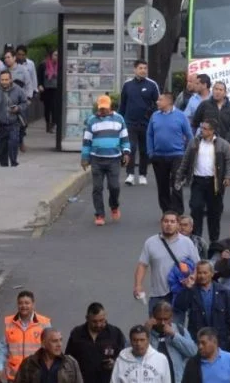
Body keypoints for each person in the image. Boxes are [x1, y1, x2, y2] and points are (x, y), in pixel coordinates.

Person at [65, 303, 126, 383]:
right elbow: (68, 360)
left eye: (102, 320)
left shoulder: (115, 333)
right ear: (87, 318)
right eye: (94, 321)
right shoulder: (77, 334)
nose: (99, 325)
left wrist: (114, 363)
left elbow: (125, 357)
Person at [175, 120, 230, 243]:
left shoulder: (223, 145)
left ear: (212, 130)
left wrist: (228, 177)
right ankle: (197, 240)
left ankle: (214, 242)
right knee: (196, 208)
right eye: (201, 128)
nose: (202, 130)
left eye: (205, 128)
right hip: (198, 181)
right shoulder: (194, 143)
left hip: (214, 184)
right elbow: (186, 161)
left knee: (214, 213)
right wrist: (179, 176)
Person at [134, 212, 202, 315]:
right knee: (155, 328)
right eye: (166, 221)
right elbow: (142, 265)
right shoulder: (150, 242)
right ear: (161, 223)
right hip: (158, 294)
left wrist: (192, 278)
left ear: (178, 225)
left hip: (179, 293)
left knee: (175, 329)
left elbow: (198, 265)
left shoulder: (187, 242)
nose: (169, 224)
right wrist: (138, 285)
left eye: (172, 221)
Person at [81, 95, 132, 226]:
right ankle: (99, 214)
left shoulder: (119, 119)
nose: (102, 111)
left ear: (110, 107)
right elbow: (87, 141)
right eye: (100, 108)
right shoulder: (92, 120)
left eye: (104, 108)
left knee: (114, 186)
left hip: (114, 159)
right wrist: (85, 157)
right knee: (97, 188)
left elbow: (124, 138)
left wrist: (126, 152)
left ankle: (114, 206)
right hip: (96, 159)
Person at [147, 301, 197, 383]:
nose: (163, 322)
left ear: (171, 317)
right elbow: (130, 353)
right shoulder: (144, 332)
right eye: (159, 319)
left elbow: (193, 352)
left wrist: (174, 335)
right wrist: (145, 330)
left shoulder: (179, 330)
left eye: (166, 319)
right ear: (153, 317)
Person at [0, 291, 52, 383]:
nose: (24, 306)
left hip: (37, 376)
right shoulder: (9, 323)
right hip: (15, 376)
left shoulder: (44, 323)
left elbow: (51, 348)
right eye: (21, 303)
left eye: (27, 303)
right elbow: (2, 347)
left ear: (33, 304)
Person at [172, 260, 230, 347]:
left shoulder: (223, 292)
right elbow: (179, 307)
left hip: (220, 341)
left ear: (212, 273)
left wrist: (229, 337)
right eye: (199, 273)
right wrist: (187, 288)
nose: (202, 276)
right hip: (198, 341)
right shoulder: (192, 291)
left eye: (205, 273)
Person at [148, 93, 194, 214]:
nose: (157, 102)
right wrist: (150, 152)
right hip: (158, 156)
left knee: (176, 183)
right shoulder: (155, 116)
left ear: (169, 102)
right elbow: (149, 134)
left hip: (177, 155)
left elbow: (189, 135)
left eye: (160, 100)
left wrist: (190, 153)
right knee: (162, 186)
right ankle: (166, 211)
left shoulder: (180, 116)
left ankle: (178, 211)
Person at [120, 60, 161, 186]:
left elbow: (158, 103)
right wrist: (120, 121)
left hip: (146, 123)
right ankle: (130, 174)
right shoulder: (127, 85)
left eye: (145, 68)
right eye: (140, 68)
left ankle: (142, 174)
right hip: (130, 122)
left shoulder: (152, 85)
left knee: (144, 150)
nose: (143, 70)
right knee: (131, 148)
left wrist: (152, 116)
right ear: (135, 69)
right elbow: (123, 104)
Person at [0, 70, 28, 167]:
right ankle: (4, 165)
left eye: (6, 79)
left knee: (13, 142)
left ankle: (13, 161)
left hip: (14, 122)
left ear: (10, 79)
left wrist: (18, 108)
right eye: (2, 79)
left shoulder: (18, 89)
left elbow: (25, 103)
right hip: (0, 124)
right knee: (1, 147)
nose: (4, 82)